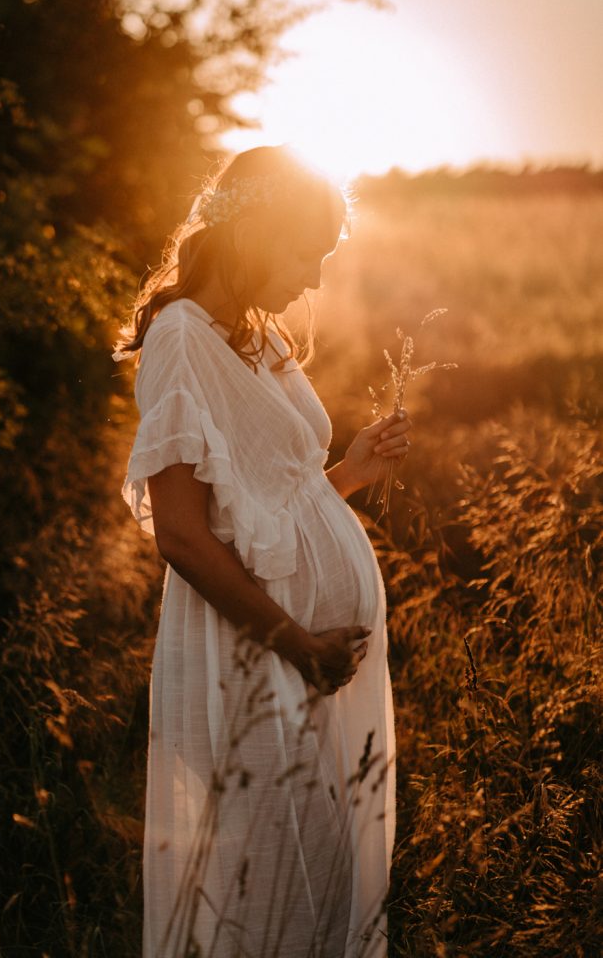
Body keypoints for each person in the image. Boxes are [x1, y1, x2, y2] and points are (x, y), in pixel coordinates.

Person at [113, 144, 412, 958]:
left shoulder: (257, 337)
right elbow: (180, 533)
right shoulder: (179, 337)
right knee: (270, 891)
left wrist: (350, 471)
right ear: (251, 234)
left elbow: (273, 503)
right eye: (304, 253)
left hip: (306, 659)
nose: (313, 279)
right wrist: (296, 644)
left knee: (318, 885)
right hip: (254, 651)